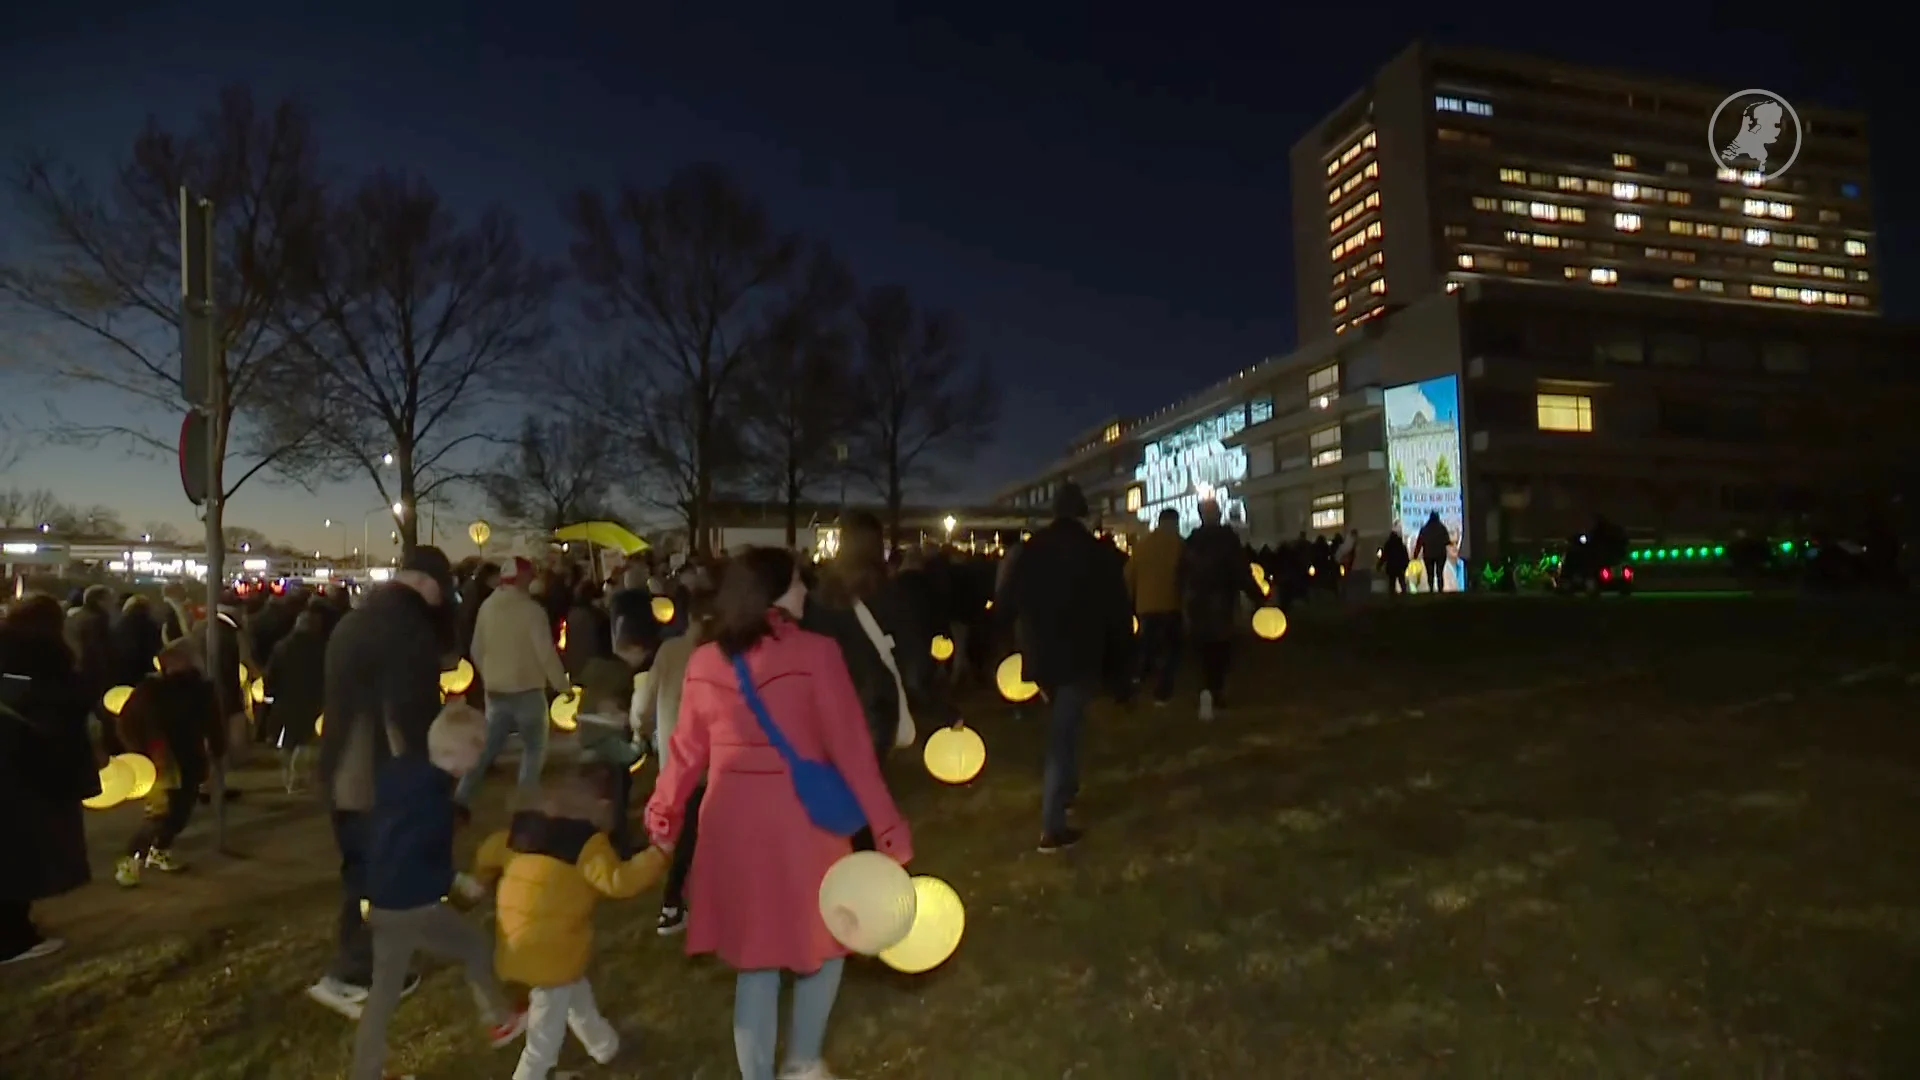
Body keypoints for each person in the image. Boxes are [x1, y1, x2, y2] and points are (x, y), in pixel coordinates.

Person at [645, 547, 911, 1080]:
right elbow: (852, 751)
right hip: (803, 827)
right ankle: (803, 1062)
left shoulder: (704, 659)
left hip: (729, 827)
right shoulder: (816, 653)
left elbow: (685, 752)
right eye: (796, 582)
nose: (804, 591)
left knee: (755, 960)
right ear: (770, 592)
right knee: (829, 941)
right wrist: (887, 830)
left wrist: (664, 817)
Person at [306, 546, 458, 1018]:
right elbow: (409, 716)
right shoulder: (407, 630)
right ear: (429, 584)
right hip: (376, 777)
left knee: (364, 869)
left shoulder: (356, 619)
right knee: (381, 872)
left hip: (343, 769)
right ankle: (354, 975)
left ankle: (366, 963)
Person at [350, 702, 526, 1079]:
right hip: (413, 905)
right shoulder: (434, 806)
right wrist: (457, 883)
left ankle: (365, 1073)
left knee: (383, 991)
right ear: (458, 752)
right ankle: (499, 1020)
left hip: (381, 900)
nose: (478, 761)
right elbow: (420, 854)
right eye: (477, 751)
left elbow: (391, 840)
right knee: (474, 947)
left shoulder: (399, 777)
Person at [473, 772, 669, 1080]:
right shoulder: (585, 845)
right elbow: (619, 881)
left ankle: (605, 1046)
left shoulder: (518, 835)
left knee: (576, 994)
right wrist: (657, 856)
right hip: (552, 953)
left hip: (516, 944)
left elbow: (487, 853)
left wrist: (482, 877)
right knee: (543, 1041)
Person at [1000, 482, 1131, 853]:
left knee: (1065, 725)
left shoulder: (1031, 551)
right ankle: (1052, 826)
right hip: (1082, 654)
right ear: (1082, 513)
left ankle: (1067, 792)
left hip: (1042, 656)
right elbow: (1118, 613)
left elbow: (1006, 603)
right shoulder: (1098, 554)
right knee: (1063, 733)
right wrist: (1123, 665)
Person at [0, 594, 98, 964]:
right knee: (21, 857)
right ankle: (12, 940)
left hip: (12, 766)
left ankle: (14, 930)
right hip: (30, 773)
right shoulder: (48, 664)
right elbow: (62, 716)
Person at [112, 639, 225, 886]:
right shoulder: (151, 691)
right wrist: (142, 753)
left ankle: (159, 850)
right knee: (159, 815)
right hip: (162, 763)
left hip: (189, 759)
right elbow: (128, 723)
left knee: (181, 811)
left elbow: (212, 722)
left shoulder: (200, 689)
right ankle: (131, 859)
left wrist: (216, 748)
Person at [462, 556, 571, 807]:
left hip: (496, 691)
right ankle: (525, 804)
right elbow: (545, 652)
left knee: (487, 750)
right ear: (522, 578)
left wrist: (489, 675)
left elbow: (476, 649)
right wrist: (562, 686)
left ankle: (462, 798)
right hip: (528, 691)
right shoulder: (531, 610)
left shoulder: (487, 607)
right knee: (534, 748)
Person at [637, 585, 714, 936]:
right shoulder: (719, 654)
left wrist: (642, 727)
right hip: (710, 759)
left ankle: (675, 900)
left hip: (677, 756)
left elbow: (646, 697)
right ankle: (678, 900)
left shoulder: (670, 651)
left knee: (686, 827)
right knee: (696, 830)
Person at [573, 594, 662, 855]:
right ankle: (619, 843)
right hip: (608, 738)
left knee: (601, 794)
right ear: (634, 649)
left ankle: (603, 837)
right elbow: (613, 707)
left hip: (590, 738)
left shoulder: (598, 666)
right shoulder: (620, 674)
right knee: (616, 794)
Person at [1183, 498, 1266, 722]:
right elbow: (1240, 571)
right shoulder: (1227, 539)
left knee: (1203, 650)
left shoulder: (1192, 540)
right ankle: (1215, 691)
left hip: (1197, 603)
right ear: (1218, 514)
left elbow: (1182, 573)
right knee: (1221, 648)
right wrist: (1258, 597)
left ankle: (1206, 690)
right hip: (1220, 602)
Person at [263, 609, 328, 794]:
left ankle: (289, 778)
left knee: (287, 742)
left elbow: (271, 674)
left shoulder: (281, 646)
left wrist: (270, 694)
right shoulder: (321, 647)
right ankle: (300, 777)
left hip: (285, 701)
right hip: (312, 700)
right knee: (306, 741)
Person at [1126, 507, 1186, 706]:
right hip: (1171, 604)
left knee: (1146, 648)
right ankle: (1162, 693)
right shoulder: (1179, 545)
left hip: (1146, 606)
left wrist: (1132, 601)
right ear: (1173, 523)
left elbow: (1128, 577)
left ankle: (1135, 684)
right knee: (1170, 651)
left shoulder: (1142, 546)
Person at [1415, 511, 1453, 594]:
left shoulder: (1424, 529)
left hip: (1428, 555)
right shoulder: (1442, 528)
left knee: (1430, 574)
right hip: (1440, 555)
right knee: (1440, 573)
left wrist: (1415, 555)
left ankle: (1431, 589)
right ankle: (1440, 590)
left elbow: (1419, 543)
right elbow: (1447, 541)